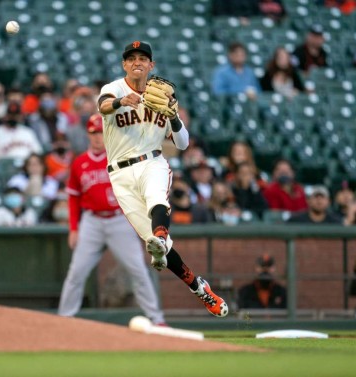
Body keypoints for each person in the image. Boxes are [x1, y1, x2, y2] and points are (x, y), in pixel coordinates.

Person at [97, 40, 228, 317]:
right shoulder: (113, 89)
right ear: (124, 64)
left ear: (151, 65)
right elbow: (104, 107)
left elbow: (182, 144)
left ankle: (159, 234)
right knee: (163, 249)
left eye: (142, 58)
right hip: (119, 174)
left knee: (157, 200)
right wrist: (122, 101)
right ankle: (200, 288)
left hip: (152, 161)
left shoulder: (162, 97)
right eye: (131, 58)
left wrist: (174, 116)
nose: (137, 62)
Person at [58, 114, 166, 325]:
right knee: (76, 272)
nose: (98, 137)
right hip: (91, 222)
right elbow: (73, 197)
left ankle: (156, 318)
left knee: (138, 270)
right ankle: (64, 318)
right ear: (88, 135)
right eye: (93, 133)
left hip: (119, 220)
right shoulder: (79, 163)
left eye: (101, 132)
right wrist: (73, 228)